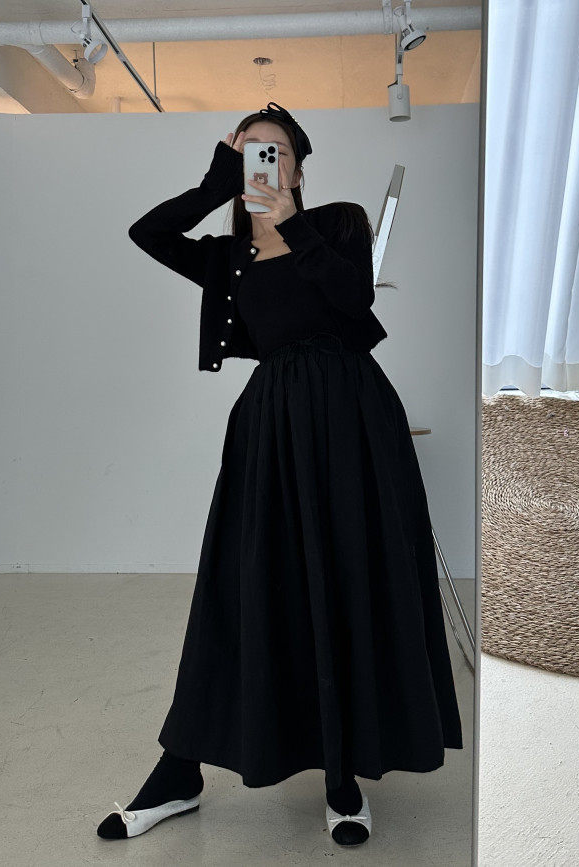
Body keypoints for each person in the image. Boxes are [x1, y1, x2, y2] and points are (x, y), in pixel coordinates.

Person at [97, 103, 463, 847]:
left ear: (298, 166)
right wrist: (214, 185)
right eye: (251, 152)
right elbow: (148, 233)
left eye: (278, 151)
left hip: (353, 420)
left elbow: (353, 303)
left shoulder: (339, 225)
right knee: (242, 586)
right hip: (270, 427)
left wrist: (291, 222)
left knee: (346, 576)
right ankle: (180, 770)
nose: (266, 161)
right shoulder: (227, 257)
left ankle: (342, 772)